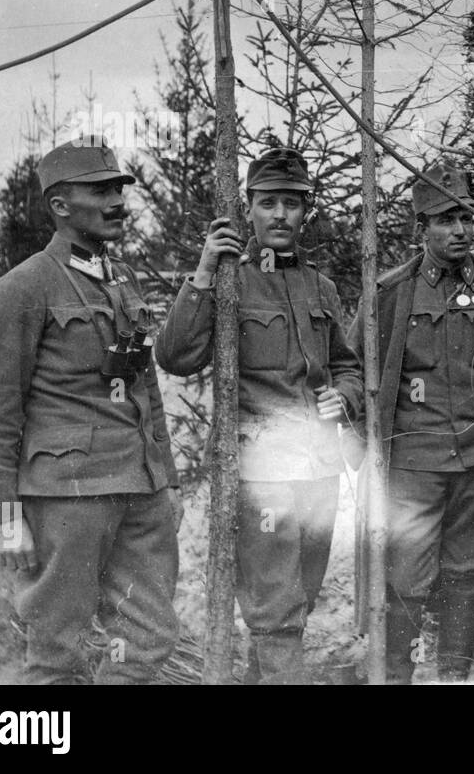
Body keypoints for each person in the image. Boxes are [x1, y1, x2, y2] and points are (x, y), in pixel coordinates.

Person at [0, 139, 181, 684]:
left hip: (139, 489)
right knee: (58, 652)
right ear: (60, 205)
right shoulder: (24, 287)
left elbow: (144, 386)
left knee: (148, 640)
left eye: (119, 190)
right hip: (67, 496)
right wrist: (7, 516)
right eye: (100, 191)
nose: (117, 203)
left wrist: (166, 480)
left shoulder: (121, 279)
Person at [156, 147, 359, 684]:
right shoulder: (230, 280)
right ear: (248, 209)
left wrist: (346, 396)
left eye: (292, 204)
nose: (279, 215)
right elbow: (174, 356)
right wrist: (202, 272)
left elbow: (347, 364)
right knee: (276, 610)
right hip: (261, 469)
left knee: (300, 599)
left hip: (318, 468)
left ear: (305, 212)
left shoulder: (322, 287)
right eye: (267, 203)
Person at [347, 163, 474, 684]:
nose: (460, 230)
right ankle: (397, 677)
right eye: (445, 220)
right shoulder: (390, 293)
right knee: (409, 581)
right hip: (414, 464)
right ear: (422, 226)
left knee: (466, 576)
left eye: (465, 217)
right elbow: (354, 365)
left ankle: (455, 678)